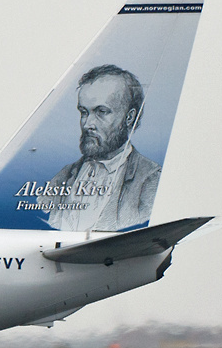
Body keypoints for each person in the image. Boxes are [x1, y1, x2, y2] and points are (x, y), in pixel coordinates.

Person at [40, 64, 161, 230]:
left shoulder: (149, 178)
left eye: (101, 112)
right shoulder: (64, 175)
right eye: (84, 112)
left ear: (129, 117)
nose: (88, 124)